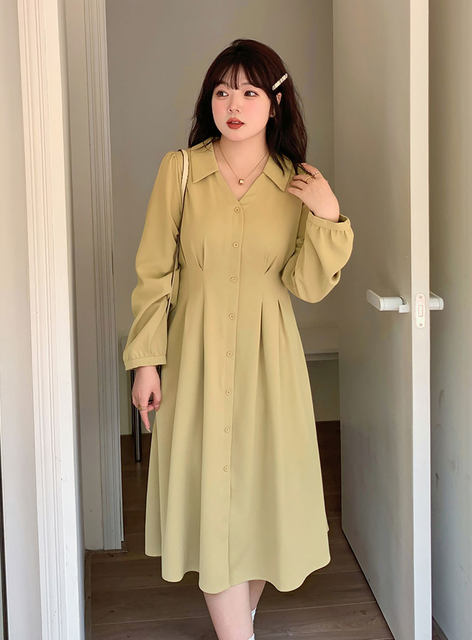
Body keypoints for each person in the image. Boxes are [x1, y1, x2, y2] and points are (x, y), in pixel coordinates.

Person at [123, 38, 354, 640]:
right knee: (212, 504)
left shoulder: (296, 183)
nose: (234, 104)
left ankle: (241, 621)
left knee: (257, 504)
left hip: (268, 362)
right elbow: (155, 272)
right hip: (194, 356)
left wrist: (328, 216)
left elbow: (306, 286)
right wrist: (146, 362)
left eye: (250, 92)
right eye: (223, 91)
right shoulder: (180, 171)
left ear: (275, 103)